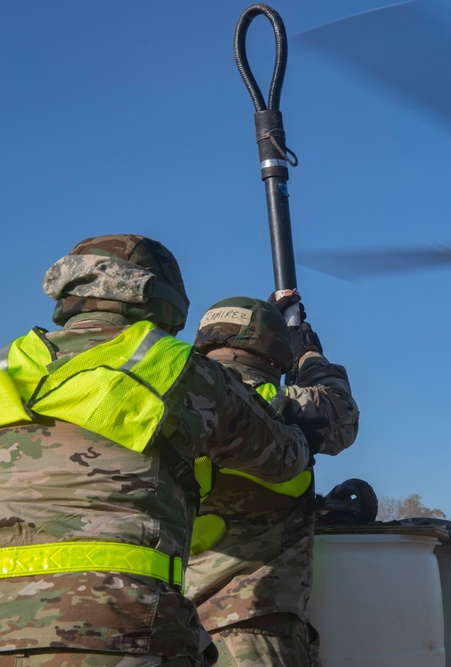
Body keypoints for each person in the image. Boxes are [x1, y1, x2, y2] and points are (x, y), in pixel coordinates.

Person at [0, 235, 314, 666]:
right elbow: (286, 458)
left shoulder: (7, 365)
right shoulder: (176, 369)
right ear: (163, 299)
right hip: (122, 629)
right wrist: (295, 358)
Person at [185, 295, 359, 666]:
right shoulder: (277, 401)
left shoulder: (180, 399)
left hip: (179, 628)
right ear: (272, 352)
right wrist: (307, 353)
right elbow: (340, 411)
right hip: (256, 628)